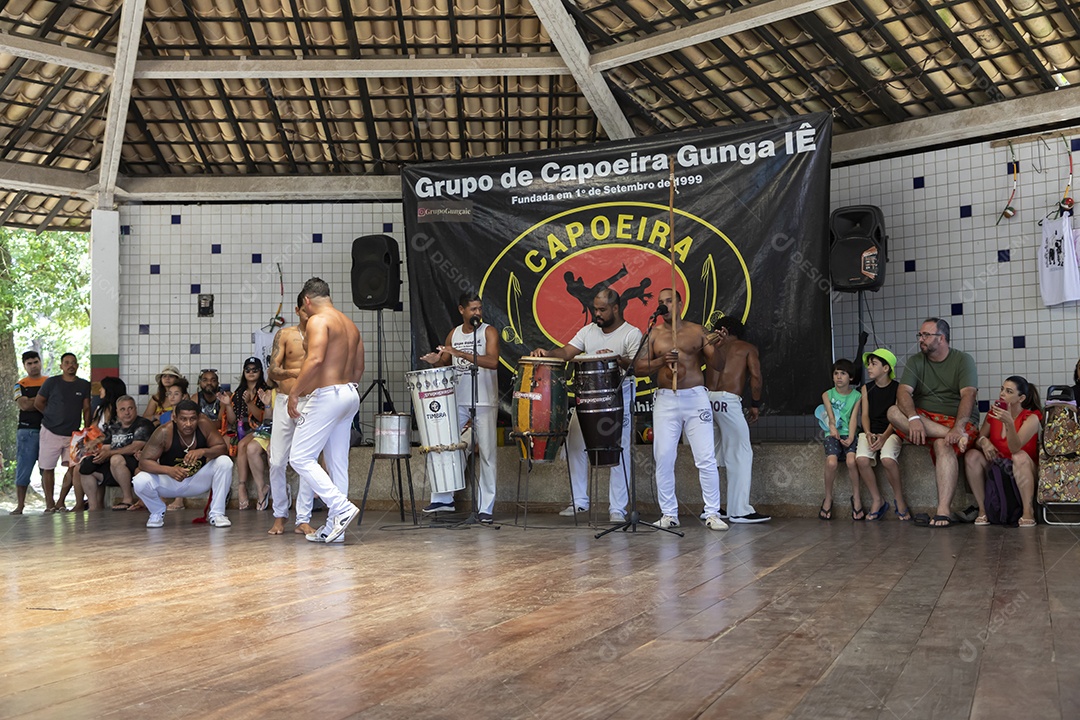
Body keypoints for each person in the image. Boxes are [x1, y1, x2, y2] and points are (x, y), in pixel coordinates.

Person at [530, 288, 641, 522]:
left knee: (618, 450)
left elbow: (637, 366)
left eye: (601, 310)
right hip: (588, 397)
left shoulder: (632, 333)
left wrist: (615, 358)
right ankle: (579, 502)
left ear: (616, 309)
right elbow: (566, 352)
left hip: (619, 398)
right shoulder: (588, 331)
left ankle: (617, 509)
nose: (596, 314)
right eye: (595, 309)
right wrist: (548, 352)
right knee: (574, 444)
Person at [633, 289, 726, 530]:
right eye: (661, 303)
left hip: (695, 398)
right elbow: (639, 368)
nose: (665, 306)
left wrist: (717, 347)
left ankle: (713, 513)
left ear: (680, 304)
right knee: (663, 458)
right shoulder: (654, 334)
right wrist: (661, 361)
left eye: (669, 301)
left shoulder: (697, 331)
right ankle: (668, 514)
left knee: (705, 457)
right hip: (665, 399)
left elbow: (718, 365)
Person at [287, 278, 364, 543]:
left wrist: (294, 393)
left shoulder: (318, 321)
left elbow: (316, 359)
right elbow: (358, 369)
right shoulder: (350, 325)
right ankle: (336, 528)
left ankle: (341, 508)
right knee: (337, 464)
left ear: (307, 301)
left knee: (299, 457)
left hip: (329, 395)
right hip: (349, 394)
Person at [886, 318, 979, 527]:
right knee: (893, 411)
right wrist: (913, 418)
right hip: (923, 421)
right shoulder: (915, 361)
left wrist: (958, 427)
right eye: (920, 335)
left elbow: (968, 395)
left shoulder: (963, 360)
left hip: (957, 421)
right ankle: (949, 435)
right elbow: (903, 392)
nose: (921, 339)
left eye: (926, 335)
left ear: (942, 338)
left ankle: (943, 510)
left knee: (942, 444)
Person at [420, 291, 500, 523]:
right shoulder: (453, 334)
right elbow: (447, 360)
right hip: (459, 400)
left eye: (480, 309)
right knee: (446, 445)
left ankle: (486, 507)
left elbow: (493, 362)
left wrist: (462, 353)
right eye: (473, 309)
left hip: (484, 400)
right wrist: (438, 360)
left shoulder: (489, 331)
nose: (477, 313)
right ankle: (443, 498)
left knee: (487, 454)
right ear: (461, 310)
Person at [705, 317, 770, 524]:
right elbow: (756, 378)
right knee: (741, 454)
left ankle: (712, 510)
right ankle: (739, 510)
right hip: (727, 401)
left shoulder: (709, 348)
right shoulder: (746, 347)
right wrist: (755, 404)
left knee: (711, 458)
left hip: (705, 401)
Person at [133, 399, 234, 529]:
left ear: (199, 417)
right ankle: (157, 511)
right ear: (174, 418)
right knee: (139, 481)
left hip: (197, 480)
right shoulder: (164, 432)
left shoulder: (204, 425)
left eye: (192, 419)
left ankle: (217, 514)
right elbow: (144, 462)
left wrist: (203, 451)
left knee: (225, 462)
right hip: (169, 482)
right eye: (183, 419)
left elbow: (222, 448)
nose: (188, 424)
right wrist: (169, 470)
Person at [962, 376, 1042, 527]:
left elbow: (1015, 448)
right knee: (972, 456)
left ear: (1021, 398)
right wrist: (984, 442)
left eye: (1009, 391)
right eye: (1002, 389)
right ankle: (983, 510)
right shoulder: (993, 413)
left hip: (1024, 472)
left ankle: (1028, 511)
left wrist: (1009, 423)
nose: (1002, 394)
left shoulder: (1032, 417)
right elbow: (979, 439)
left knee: (1019, 456)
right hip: (999, 468)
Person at [266, 303, 308, 536]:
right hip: (283, 400)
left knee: (306, 461)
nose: (308, 315)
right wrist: (293, 373)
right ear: (297, 309)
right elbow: (272, 370)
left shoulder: (322, 336)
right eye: (304, 310)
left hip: (311, 401)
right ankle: (279, 515)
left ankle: (303, 518)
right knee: (277, 460)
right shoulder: (285, 334)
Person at [33, 352, 91, 513]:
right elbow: (39, 403)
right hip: (49, 431)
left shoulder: (84, 385)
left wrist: (86, 430)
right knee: (47, 468)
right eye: (67, 363)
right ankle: (49, 504)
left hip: (73, 434)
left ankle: (61, 502)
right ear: (61, 366)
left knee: (73, 469)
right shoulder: (51, 382)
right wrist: (51, 416)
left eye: (73, 362)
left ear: (77, 366)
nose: (70, 365)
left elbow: (87, 408)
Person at [855, 349, 908, 520]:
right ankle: (878, 500)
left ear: (886, 368)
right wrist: (868, 432)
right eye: (868, 364)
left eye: (873, 364)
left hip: (891, 432)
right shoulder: (866, 388)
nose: (869, 367)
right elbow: (864, 415)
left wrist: (884, 437)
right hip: (870, 431)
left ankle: (900, 500)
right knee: (861, 459)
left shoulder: (898, 388)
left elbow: (897, 417)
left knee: (887, 459)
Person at [77, 394, 154, 510]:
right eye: (123, 409)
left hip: (136, 465)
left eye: (130, 408)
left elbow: (135, 447)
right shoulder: (114, 427)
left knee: (116, 458)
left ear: (135, 409)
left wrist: (110, 453)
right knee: (85, 467)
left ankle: (127, 499)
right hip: (115, 469)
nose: (127, 412)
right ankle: (93, 507)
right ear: (117, 412)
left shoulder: (143, 424)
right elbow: (106, 448)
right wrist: (98, 454)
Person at [819, 359, 862, 520]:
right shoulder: (827, 394)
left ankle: (856, 498)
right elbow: (830, 416)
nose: (838, 377)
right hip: (832, 433)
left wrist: (851, 437)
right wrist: (832, 428)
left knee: (852, 461)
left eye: (843, 373)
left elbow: (853, 418)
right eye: (836, 373)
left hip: (849, 433)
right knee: (831, 462)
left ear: (850, 377)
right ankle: (828, 497)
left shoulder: (857, 396)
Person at [225, 357, 269, 510]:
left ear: (260, 371)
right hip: (241, 429)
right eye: (247, 370)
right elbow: (232, 420)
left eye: (255, 370)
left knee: (244, 444)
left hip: (260, 429)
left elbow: (263, 417)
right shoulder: (238, 393)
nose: (251, 373)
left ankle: (242, 487)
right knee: (238, 444)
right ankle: (242, 486)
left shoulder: (265, 390)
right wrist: (227, 406)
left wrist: (250, 403)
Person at [12, 351, 46, 515]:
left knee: (47, 469)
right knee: (23, 468)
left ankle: (50, 504)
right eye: (29, 363)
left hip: (48, 430)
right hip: (26, 431)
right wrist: (41, 401)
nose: (33, 366)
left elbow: (54, 403)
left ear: (40, 362)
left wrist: (32, 401)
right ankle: (20, 505)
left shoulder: (50, 382)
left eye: (35, 362)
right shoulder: (20, 385)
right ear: (24, 366)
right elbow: (24, 405)